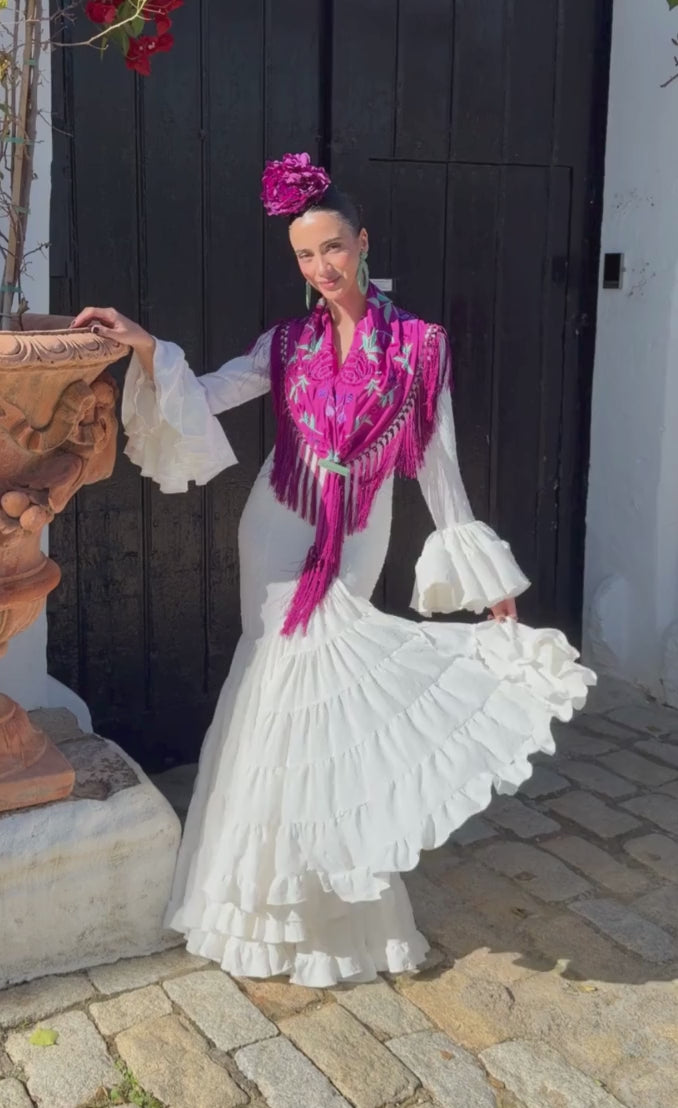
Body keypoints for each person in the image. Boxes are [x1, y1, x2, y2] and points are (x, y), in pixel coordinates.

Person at [72, 153, 595, 987]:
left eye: (333, 249)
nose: (321, 267)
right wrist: (145, 347)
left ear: (362, 242)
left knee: (322, 696)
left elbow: (438, 465)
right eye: (305, 256)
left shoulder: (420, 347)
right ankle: (257, 897)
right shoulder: (286, 343)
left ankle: (326, 895)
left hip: (355, 536)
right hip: (275, 526)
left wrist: (488, 581)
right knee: (270, 690)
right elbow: (205, 395)